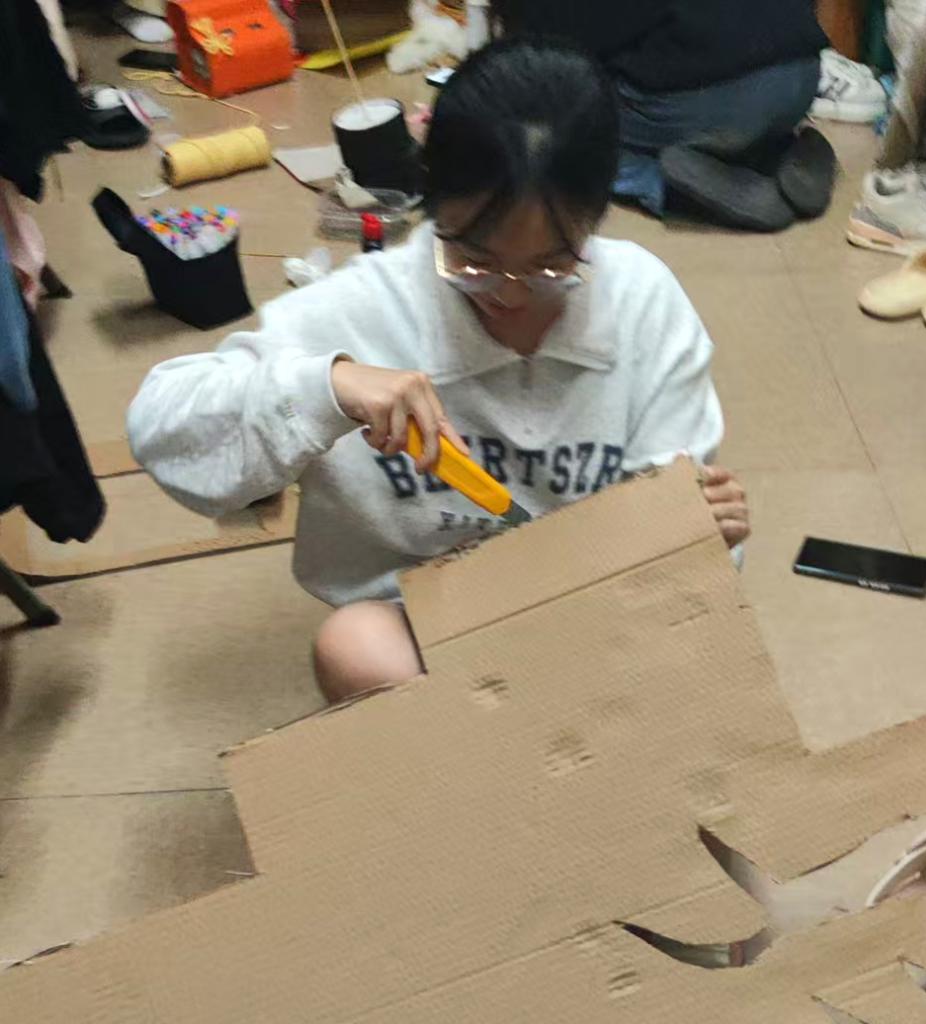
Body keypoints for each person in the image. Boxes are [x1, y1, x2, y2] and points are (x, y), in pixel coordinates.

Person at [127, 38, 749, 703]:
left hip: (593, 593)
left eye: (550, 267)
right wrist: (326, 388)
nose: (510, 294)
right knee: (355, 646)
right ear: (433, 205)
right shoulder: (368, 307)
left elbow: (681, 554)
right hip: (428, 617)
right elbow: (162, 430)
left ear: (596, 219)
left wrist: (691, 531)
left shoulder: (641, 302)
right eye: (475, 262)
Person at [496, 1, 836, 232]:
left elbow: (552, 50)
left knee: (544, 127)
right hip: (804, 73)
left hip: (723, 98)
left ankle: (667, 188)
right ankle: (771, 154)